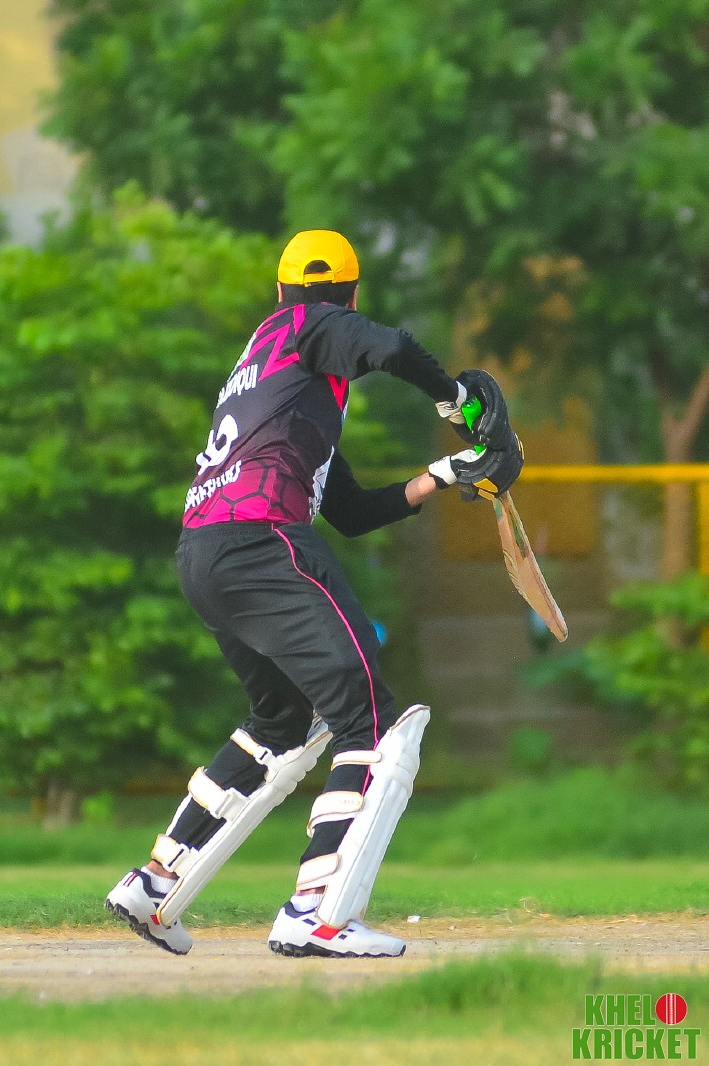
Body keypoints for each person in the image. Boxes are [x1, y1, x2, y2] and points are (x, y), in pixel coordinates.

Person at [106, 230, 521, 959]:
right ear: (349, 298)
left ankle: (155, 880)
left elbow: (352, 512)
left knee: (281, 723)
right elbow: (392, 348)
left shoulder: (277, 381)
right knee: (372, 721)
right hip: (262, 541)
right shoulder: (306, 326)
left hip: (204, 553)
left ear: (278, 288)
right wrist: (458, 402)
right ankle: (317, 912)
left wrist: (448, 473)